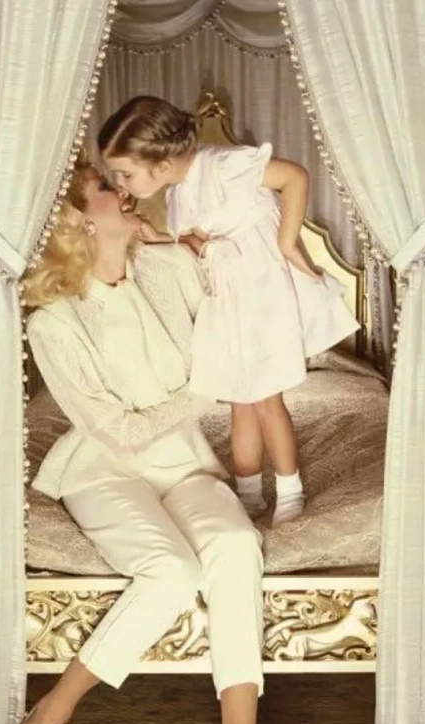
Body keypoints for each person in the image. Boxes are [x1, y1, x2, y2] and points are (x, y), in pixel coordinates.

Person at [0, 155, 278, 724]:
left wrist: (192, 250)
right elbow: (118, 431)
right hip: (104, 470)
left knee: (237, 545)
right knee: (172, 572)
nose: (125, 191)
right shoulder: (53, 323)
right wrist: (203, 391)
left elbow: (238, 324)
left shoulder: (169, 268)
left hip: (185, 462)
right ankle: (52, 713)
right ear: (76, 221)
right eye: (106, 186)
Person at [98, 95, 359, 525]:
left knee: (265, 395)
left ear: (160, 164)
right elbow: (201, 243)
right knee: (241, 398)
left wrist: (287, 241)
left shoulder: (223, 165)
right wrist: (157, 237)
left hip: (261, 290)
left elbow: (294, 176)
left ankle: (290, 490)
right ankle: (249, 493)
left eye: (125, 173)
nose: (120, 183)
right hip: (229, 295)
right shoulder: (178, 191)